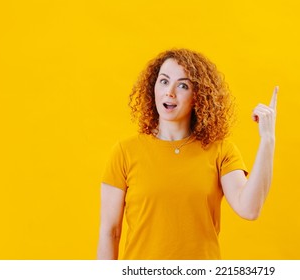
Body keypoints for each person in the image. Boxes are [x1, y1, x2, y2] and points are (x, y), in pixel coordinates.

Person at [97, 48, 278, 260]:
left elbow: (249, 209)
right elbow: (111, 232)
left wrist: (267, 140)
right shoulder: (124, 152)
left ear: (197, 97)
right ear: (152, 87)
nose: (170, 92)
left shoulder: (220, 150)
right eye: (164, 81)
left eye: (183, 85)